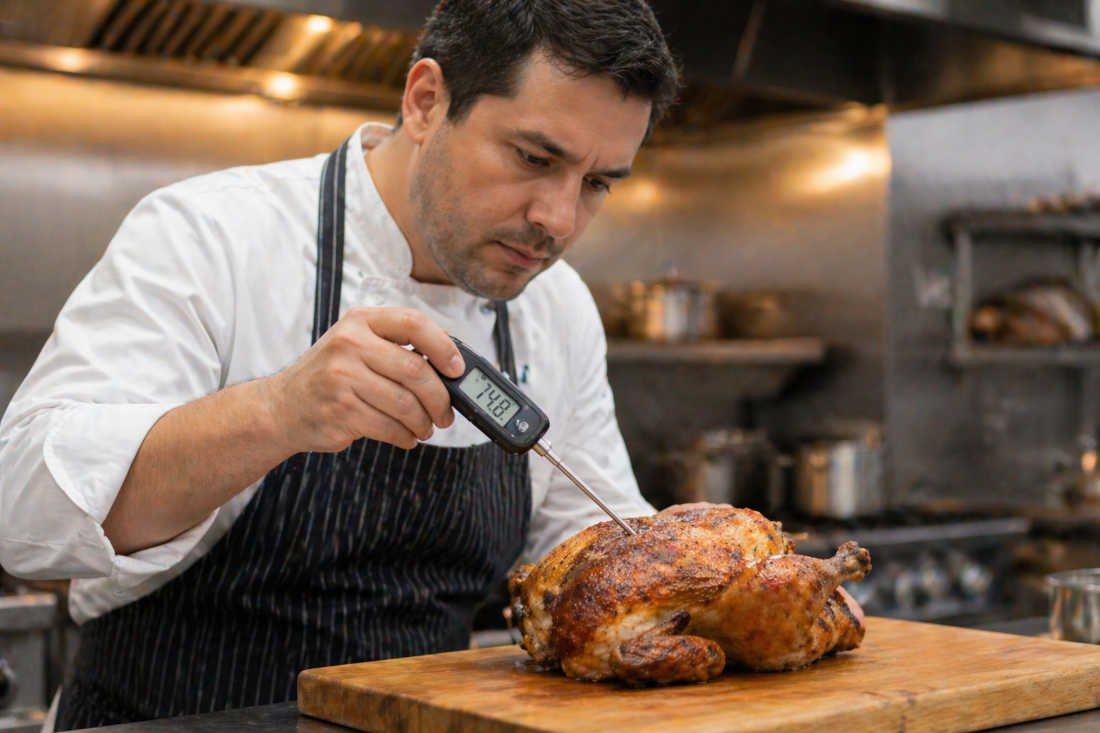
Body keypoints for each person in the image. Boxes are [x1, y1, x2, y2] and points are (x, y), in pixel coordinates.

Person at [0, 0, 679, 728]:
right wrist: (277, 412)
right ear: (425, 102)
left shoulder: (558, 307)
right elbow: (25, 508)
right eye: (534, 158)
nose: (560, 219)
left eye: (598, 182)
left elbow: (598, 537)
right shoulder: (214, 235)